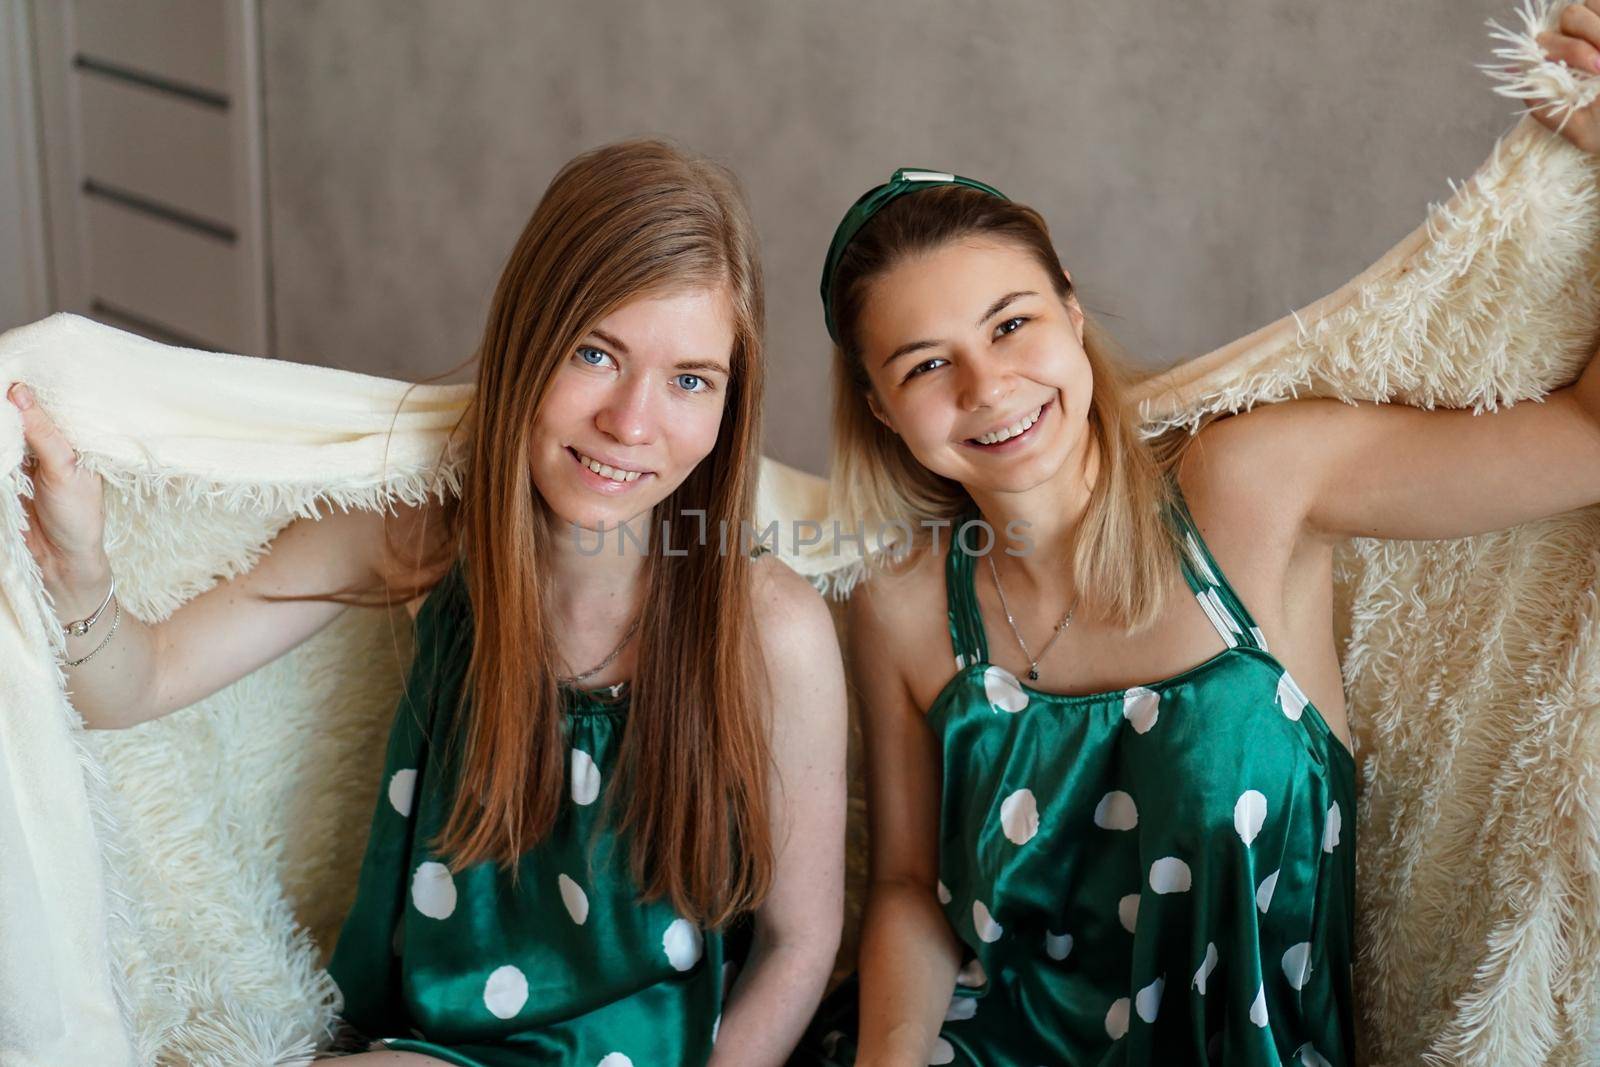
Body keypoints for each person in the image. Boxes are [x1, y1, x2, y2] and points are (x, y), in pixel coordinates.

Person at [796, 15, 1600, 1064]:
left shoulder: (1247, 489)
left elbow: (1587, 437)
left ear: (1072, 313)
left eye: (1010, 324)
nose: (988, 386)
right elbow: (908, 886)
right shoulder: (902, 601)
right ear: (879, 405)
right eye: (922, 364)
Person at [7, 139, 847, 1067]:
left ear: (731, 402)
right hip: (430, 1041)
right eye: (596, 352)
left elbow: (801, 941)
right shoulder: (425, 538)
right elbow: (137, 682)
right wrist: (81, 567)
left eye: (692, 380)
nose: (633, 422)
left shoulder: (770, 627)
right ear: (528, 339)